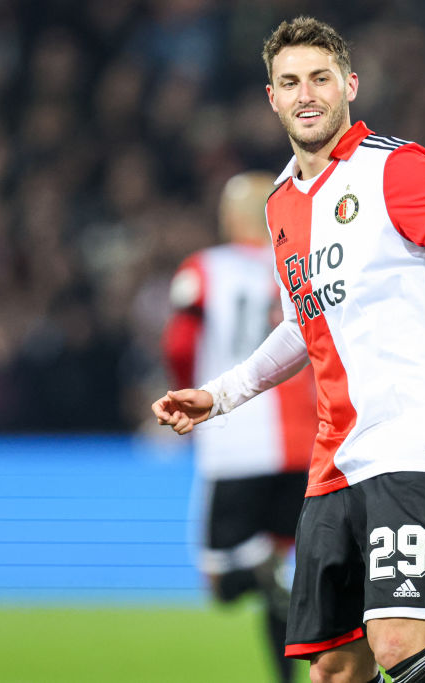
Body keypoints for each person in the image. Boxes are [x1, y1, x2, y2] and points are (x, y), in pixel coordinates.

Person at [152, 16, 425, 683]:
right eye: (290, 82)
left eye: (320, 77)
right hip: (335, 457)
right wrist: (220, 395)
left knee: (397, 644)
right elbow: (302, 324)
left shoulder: (394, 168)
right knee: (332, 668)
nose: (307, 94)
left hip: (414, 437)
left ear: (349, 84)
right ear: (272, 98)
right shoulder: (280, 205)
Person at [161, 171, 317, 683]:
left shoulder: (204, 269)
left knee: (223, 575)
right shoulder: (301, 264)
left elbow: (180, 344)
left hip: (233, 439)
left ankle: (264, 573)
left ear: (231, 217)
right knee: (282, 569)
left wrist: (187, 391)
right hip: (304, 440)